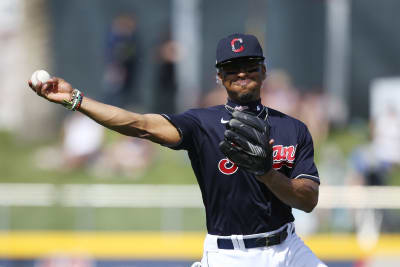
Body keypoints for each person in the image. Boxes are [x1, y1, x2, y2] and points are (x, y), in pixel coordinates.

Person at [28, 33, 326, 267]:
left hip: (288, 249)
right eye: (232, 67)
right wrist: (76, 99)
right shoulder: (202, 124)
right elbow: (140, 124)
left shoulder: (293, 129)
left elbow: (308, 200)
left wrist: (267, 173)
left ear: (263, 71)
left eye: (249, 65)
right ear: (219, 76)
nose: (241, 73)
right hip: (230, 256)